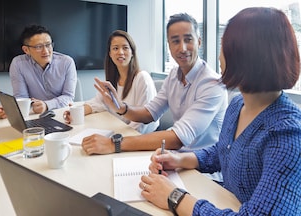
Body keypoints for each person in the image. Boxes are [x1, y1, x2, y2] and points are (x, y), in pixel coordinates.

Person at [140, 7, 301, 215]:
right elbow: (224, 150)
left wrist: (175, 197)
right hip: (225, 200)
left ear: (246, 56)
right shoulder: (237, 104)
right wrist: (181, 159)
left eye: (224, 48)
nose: (218, 57)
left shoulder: (288, 135)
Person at [81, 13, 227, 155]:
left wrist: (114, 144)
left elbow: (178, 138)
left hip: (203, 169)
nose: (182, 48)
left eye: (188, 39)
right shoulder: (173, 76)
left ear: (199, 42)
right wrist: (121, 108)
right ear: (169, 46)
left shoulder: (212, 84)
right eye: (175, 41)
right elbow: (149, 113)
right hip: (174, 157)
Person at [63, 30, 159, 134]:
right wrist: (76, 113)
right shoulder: (112, 80)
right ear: (110, 54)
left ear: (132, 52)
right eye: (115, 48)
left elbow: (142, 124)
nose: (120, 52)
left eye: (125, 48)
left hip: (138, 138)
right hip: (120, 133)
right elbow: (97, 103)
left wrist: (115, 141)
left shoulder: (142, 78)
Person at [0, 24, 77, 118]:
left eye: (48, 45)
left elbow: (68, 97)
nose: (46, 51)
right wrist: (11, 109)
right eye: (38, 47)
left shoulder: (67, 62)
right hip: (34, 116)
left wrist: (46, 105)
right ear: (26, 50)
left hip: (63, 114)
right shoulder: (18, 64)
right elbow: (21, 97)